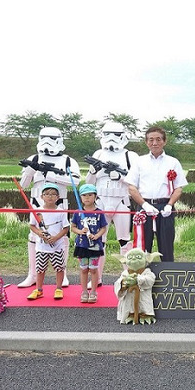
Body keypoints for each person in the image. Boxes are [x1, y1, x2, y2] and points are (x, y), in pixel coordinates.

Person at [18, 127, 80, 288]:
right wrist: (31, 170)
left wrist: (51, 175)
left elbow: (76, 182)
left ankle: (62, 273)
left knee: (62, 236)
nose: (47, 142)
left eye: (51, 138)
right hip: (37, 203)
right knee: (33, 237)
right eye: (44, 138)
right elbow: (23, 184)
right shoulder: (34, 157)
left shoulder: (68, 161)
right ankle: (32, 274)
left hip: (60, 204)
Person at [85, 121, 139, 285]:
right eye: (107, 134)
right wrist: (92, 171)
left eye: (115, 135)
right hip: (101, 201)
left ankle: (127, 275)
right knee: (99, 240)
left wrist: (121, 178)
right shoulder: (98, 154)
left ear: (122, 136)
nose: (111, 138)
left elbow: (137, 181)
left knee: (124, 240)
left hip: (122, 201)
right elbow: (88, 183)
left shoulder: (130, 156)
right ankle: (96, 278)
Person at [128, 126, 188, 261]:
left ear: (164, 141)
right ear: (146, 142)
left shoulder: (173, 162)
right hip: (144, 208)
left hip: (165, 208)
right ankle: (141, 278)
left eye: (158, 139)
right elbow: (132, 187)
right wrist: (144, 205)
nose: (154, 143)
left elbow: (178, 188)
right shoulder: (139, 161)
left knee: (166, 246)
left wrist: (169, 205)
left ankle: (168, 276)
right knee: (141, 247)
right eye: (151, 140)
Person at [26, 183, 70, 300]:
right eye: (47, 194)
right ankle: (39, 290)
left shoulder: (61, 211)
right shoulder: (37, 211)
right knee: (40, 269)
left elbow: (66, 228)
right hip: (41, 246)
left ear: (58, 197)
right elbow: (32, 226)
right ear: (42, 197)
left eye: (53, 194)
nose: (50, 197)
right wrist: (39, 233)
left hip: (57, 246)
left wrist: (56, 238)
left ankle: (59, 289)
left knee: (59, 268)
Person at [71, 184, 108, 304]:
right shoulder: (78, 212)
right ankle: (84, 291)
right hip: (82, 245)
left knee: (93, 269)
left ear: (95, 196)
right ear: (80, 198)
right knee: (83, 269)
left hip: (95, 246)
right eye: (84, 195)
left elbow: (103, 228)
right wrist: (80, 232)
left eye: (90, 195)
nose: (87, 198)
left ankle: (93, 291)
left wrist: (97, 236)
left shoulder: (99, 213)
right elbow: (73, 227)